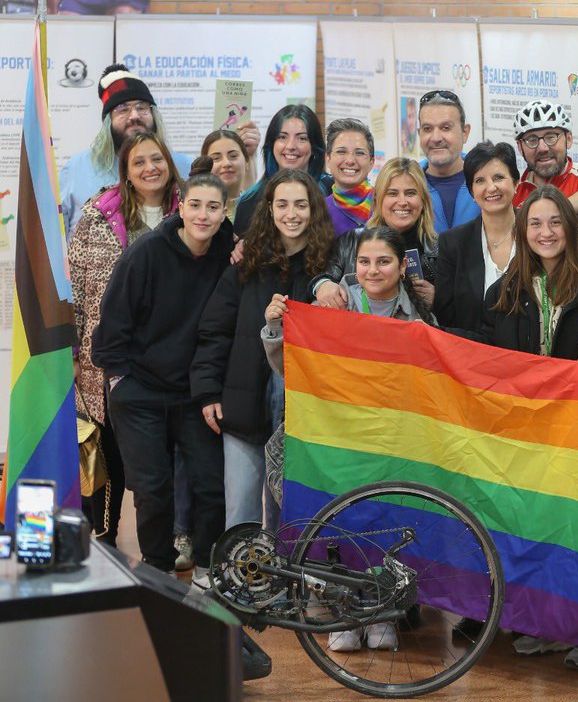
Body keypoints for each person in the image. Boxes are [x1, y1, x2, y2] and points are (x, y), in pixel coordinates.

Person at [262, 225, 435, 653]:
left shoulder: (419, 319)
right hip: (336, 436)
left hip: (393, 440)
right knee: (336, 523)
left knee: (385, 522)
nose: (373, 270)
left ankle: (378, 611)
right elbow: (292, 366)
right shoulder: (331, 307)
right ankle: (341, 612)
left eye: (384, 261)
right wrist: (274, 325)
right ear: (354, 264)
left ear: (402, 266)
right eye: (364, 261)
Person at [91, 173, 235, 589]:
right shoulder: (145, 254)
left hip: (195, 392)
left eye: (213, 207)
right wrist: (119, 379)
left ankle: (208, 568)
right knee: (153, 488)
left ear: (223, 212)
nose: (203, 215)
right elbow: (111, 325)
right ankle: (160, 570)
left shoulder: (228, 251)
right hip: (139, 390)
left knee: (211, 482)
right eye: (195, 205)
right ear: (181, 207)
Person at [192, 170, 335, 530]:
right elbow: (215, 331)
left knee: (291, 519)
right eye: (282, 204)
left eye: (300, 205)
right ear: (269, 209)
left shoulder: (328, 267)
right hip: (244, 407)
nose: (291, 214)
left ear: (314, 209)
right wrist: (208, 391)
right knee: (240, 517)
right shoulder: (245, 264)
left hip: (305, 417)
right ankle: (240, 570)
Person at [67, 131, 183, 547]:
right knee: (108, 451)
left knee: (166, 460)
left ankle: (170, 543)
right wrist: (74, 353)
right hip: (109, 358)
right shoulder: (96, 217)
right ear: (126, 173)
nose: (150, 168)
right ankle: (103, 537)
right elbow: (75, 289)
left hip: (172, 361)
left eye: (157, 159)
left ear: (169, 164)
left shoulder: (191, 212)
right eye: (139, 162)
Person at [58, 63, 238, 239]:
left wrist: (245, 158)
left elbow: (220, 207)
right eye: (123, 109)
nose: (134, 115)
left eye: (141, 107)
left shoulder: (183, 166)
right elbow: (56, 235)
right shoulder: (76, 170)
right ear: (108, 121)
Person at [482, 184, 578, 359]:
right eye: (535, 224)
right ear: (523, 230)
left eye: (555, 222)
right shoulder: (504, 291)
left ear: (570, 225)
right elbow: (485, 350)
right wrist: (435, 332)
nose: (546, 233)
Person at [312, 157, 439, 310]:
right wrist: (323, 284)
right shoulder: (351, 240)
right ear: (378, 199)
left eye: (410, 193)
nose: (402, 202)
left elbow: (459, 307)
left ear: (423, 200)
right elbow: (323, 277)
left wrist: (440, 299)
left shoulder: (440, 249)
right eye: (392, 193)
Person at [433, 141, 519, 334]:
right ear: (472, 191)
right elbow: (446, 318)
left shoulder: (537, 233)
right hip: (471, 349)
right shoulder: (452, 243)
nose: (491, 188)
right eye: (480, 181)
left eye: (498, 177)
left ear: (515, 182)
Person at [235, 104, 329, 237]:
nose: (291, 146)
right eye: (282, 137)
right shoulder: (250, 202)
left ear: (314, 147)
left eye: (302, 138)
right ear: (272, 144)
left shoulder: (332, 193)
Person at [511, 99, 578, 209]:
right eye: (532, 140)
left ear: (569, 139)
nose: (542, 148)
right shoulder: (513, 191)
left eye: (551, 137)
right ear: (520, 147)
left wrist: (559, 210)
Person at [418, 89, 479, 233]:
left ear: (465, 132)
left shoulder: (487, 182)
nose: (436, 138)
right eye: (427, 129)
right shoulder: (406, 183)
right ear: (419, 133)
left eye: (446, 128)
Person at [323, 118, 376, 237]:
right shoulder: (318, 211)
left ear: (371, 162)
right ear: (328, 159)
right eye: (341, 152)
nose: (350, 160)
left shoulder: (385, 205)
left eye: (360, 153)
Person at [200, 128, 254, 221]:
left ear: (246, 162)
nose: (226, 163)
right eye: (216, 158)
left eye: (233, 156)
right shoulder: (196, 211)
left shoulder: (259, 208)